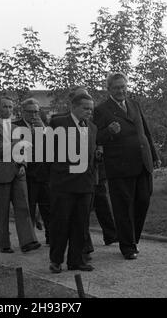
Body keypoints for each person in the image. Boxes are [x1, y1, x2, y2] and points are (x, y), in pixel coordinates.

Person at [93, 72, 160, 260]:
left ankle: (133, 239)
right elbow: (96, 137)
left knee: (143, 201)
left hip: (142, 162)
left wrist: (154, 155)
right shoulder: (101, 110)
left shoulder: (134, 104)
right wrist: (109, 131)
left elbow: (145, 131)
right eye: (116, 88)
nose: (121, 90)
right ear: (109, 90)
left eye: (123, 86)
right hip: (120, 166)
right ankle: (127, 247)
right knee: (123, 207)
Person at [48, 90, 98, 273]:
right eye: (85, 108)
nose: (89, 112)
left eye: (91, 109)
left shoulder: (92, 128)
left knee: (81, 225)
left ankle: (76, 260)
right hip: (64, 185)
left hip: (85, 185)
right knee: (61, 224)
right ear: (74, 107)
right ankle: (56, 260)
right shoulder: (58, 123)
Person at [0, 96, 40, 253]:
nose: (8, 110)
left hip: (18, 172)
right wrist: (17, 144)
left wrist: (22, 163)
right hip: (1, 173)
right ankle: (4, 244)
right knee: (2, 211)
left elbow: (25, 149)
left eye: (10, 107)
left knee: (23, 207)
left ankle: (28, 241)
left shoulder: (16, 128)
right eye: (5, 107)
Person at [13, 98, 50, 245]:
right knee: (28, 207)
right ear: (23, 112)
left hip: (44, 173)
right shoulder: (15, 127)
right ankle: (30, 239)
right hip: (26, 173)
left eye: (36, 111)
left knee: (48, 207)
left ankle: (51, 236)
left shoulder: (44, 126)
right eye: (30, 112)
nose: (34, 115)